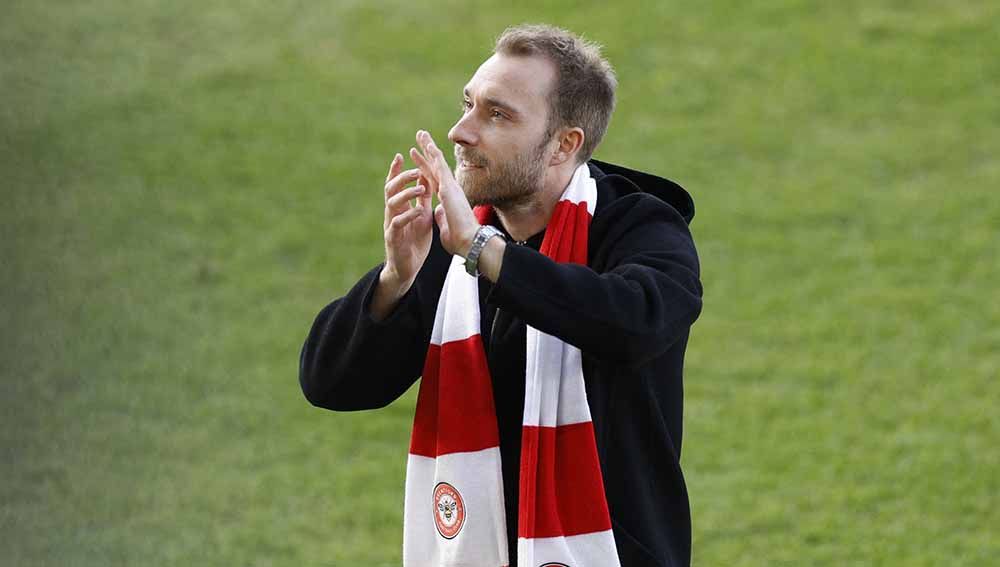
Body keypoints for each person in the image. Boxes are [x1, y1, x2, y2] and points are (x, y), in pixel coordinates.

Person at [299, 24, 703, 567]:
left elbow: (635, 323)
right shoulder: (454, 244)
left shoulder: (638, 226)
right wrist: (397, 276)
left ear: (565, 143)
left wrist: (484, 252)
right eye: (468, 104)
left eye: (497, 114)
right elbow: (331, 383)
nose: (461, 131)